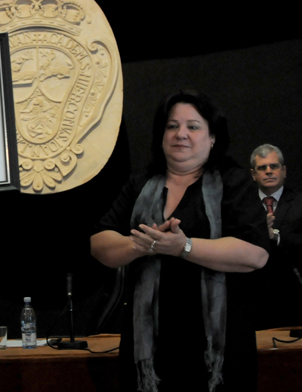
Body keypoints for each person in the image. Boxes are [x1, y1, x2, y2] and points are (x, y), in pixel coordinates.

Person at [90, 90, 269, 392]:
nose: (180, 134)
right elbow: (99, 242)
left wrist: (183, 247)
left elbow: (255, 255)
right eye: (172, 126)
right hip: (150, 349)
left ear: (213, 137)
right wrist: (138, 245)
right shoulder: (140, 184)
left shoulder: (234, 182)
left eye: (193, 126)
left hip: (217, 347)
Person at [249, 143, 302, 329]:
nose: (269, 171)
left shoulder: (299, 202)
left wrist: (276, 237)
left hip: (291, 295)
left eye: (274, 166)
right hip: (250, 298)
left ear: (284, 171)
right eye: (262, 168)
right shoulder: (242, 206)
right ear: (253, 174)